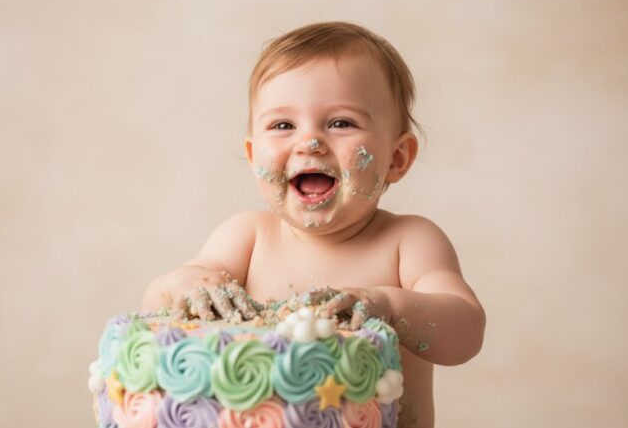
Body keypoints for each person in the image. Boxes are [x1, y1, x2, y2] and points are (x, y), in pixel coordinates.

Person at [141, 21, 485, 427]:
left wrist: (390, 307)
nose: (310, 142)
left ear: (397, 158)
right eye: (283, 126)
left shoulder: (408, 242)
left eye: (341, 123)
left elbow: (466, 333)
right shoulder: (248, 237)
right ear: (252, 155)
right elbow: (154, 307)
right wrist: (189, 284)